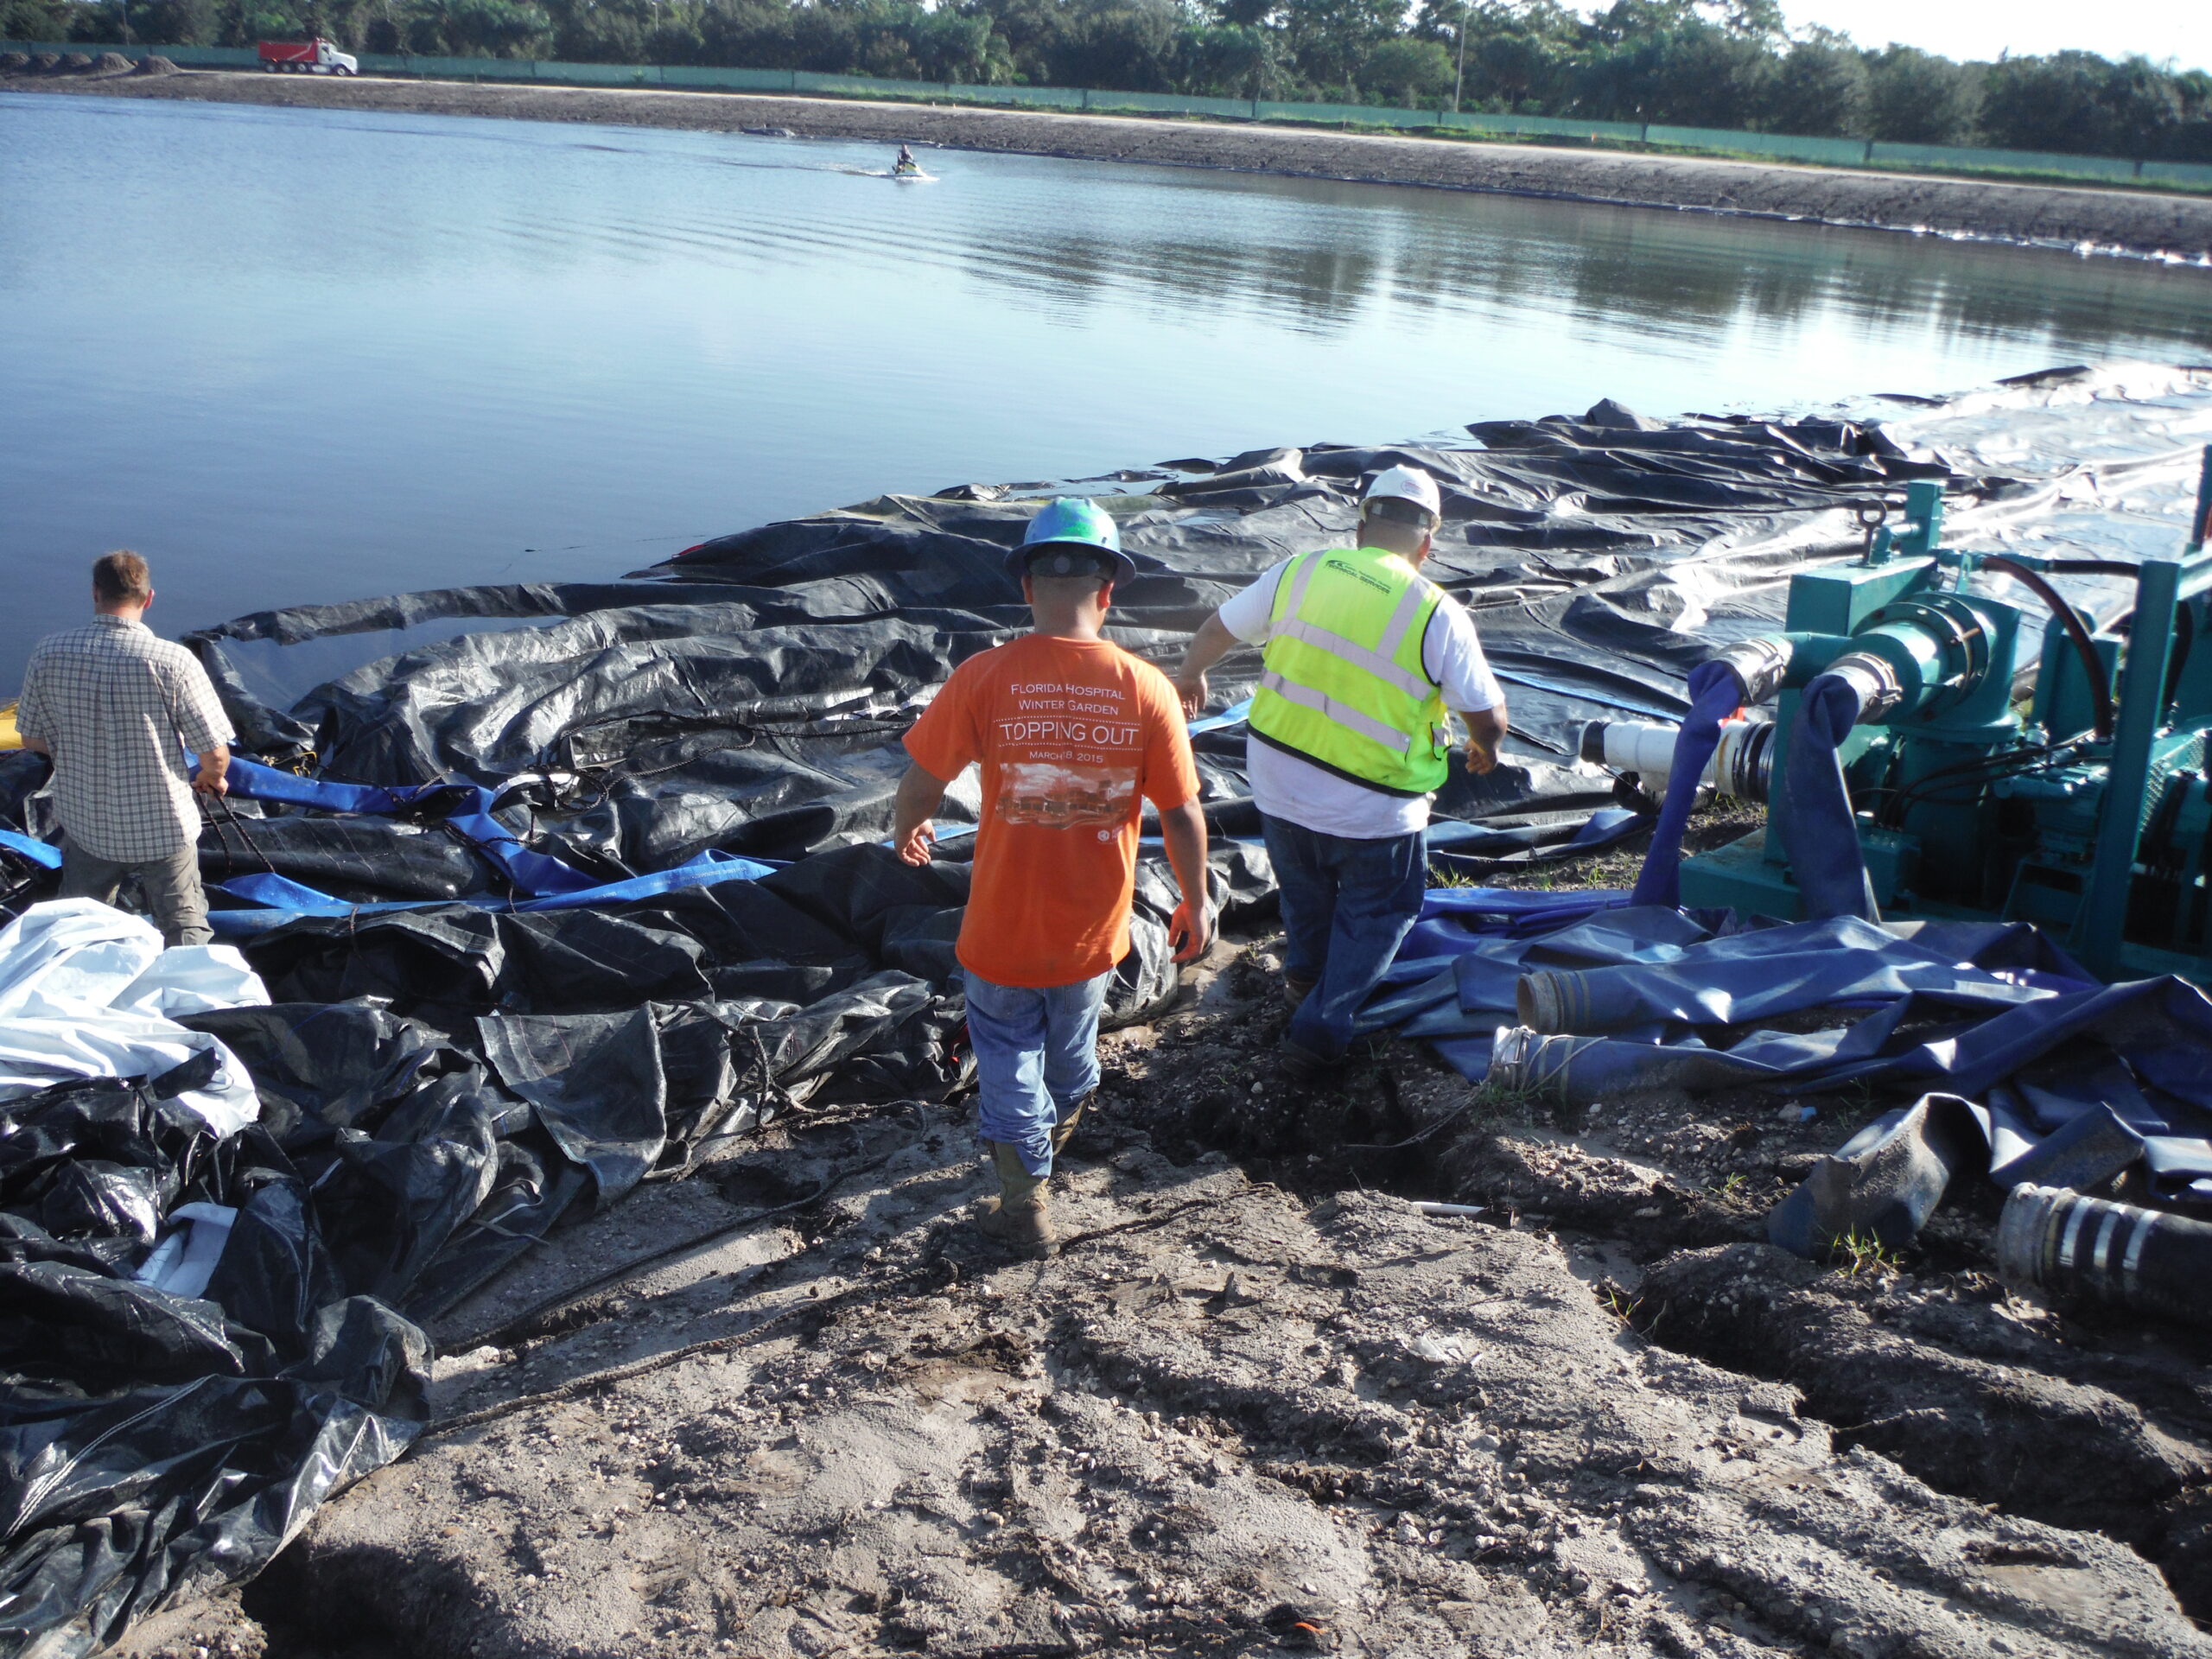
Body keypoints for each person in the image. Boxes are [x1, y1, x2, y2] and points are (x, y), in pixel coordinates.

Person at [893, 499, 1212, 1256]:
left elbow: (922, 775)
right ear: (1110, 592)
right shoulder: (1148, 688)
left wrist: (908, 825)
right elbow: (1183, 813)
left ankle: (1022, 1201)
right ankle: (1051, 1134)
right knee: (1071, 1050)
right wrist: (1197, 899)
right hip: (1091, 936)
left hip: (1001, 932)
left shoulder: (985, 675)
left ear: (1028, 587)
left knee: (1005, 1058)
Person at [1171, 466, 1507, 1079]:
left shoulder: (1301, 571)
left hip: (1278, 783)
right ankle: (1316, 1037)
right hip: (1375, 806)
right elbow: (1487, 713)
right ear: (1427, 544)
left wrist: (1191, 673)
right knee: (1378, 915)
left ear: (1360, 528)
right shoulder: (1436, 612)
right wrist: (1485, 746)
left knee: (1304, 890)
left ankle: (1303, 978)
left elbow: (1220, 627)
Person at [16, 550, 233, 947]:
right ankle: (192, 1000)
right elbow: (215, 754)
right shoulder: (174, 661)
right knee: (184, 925)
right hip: (165, 827)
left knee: (78, 923)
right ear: (149, 598)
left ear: (95, 593)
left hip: (87, 824)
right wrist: (210, 777)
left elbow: (31, 739)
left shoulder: (49, 652)